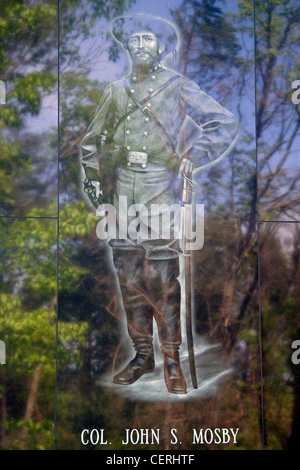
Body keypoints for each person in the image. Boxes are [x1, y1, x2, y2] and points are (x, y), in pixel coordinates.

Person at [80, 13, 238, 394]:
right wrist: (95, 184)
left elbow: (222, 121)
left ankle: (171, 360)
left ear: (162, 48)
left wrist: (194, 155)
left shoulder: (177, 85)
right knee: (130, 278)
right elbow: (91, 142)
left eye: (147, 39)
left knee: (166, 281)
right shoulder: (116, 91)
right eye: (133, 40)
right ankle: (142, 355)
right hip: (121, 190)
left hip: (157, 188)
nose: (139, 45)